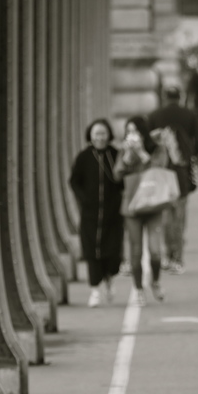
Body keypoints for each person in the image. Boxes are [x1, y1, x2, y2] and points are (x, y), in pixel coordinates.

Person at [113, 115, 171, 306]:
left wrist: (143, 153)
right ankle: (138, 289)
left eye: (135, 131)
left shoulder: (157, 147)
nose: (132, 135)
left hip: (153, 203)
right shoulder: (125, 150)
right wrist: (129, 157)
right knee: (135, 251)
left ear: (143, 132)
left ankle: (155, 281)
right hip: (132, 206)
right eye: (128, 132)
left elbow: (160, 168)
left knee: (155, 251)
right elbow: (117, 175)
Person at [148, 84, 198, 275]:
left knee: (164, 216)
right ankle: (177, 258)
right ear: (179, 97)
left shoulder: (155, 116)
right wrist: (190, 154)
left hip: (162, 172)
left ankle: (167, 253)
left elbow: (147, 142)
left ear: (164, 97)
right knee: (179, 217)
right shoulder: (189, 115)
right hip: (181, 171)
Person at [69, 118, 125, 307]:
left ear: (109, 135)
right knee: (92, 252)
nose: (100, 138)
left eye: (103, 133)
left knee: (112, 251)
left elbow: (124, 179)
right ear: (90, 136)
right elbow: (74, 181)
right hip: (90, 214)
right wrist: (84, 198)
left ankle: (110, 278)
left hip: (113, 213)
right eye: (96, 134)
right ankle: (94, 290)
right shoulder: (84, 157)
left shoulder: (116, 155)